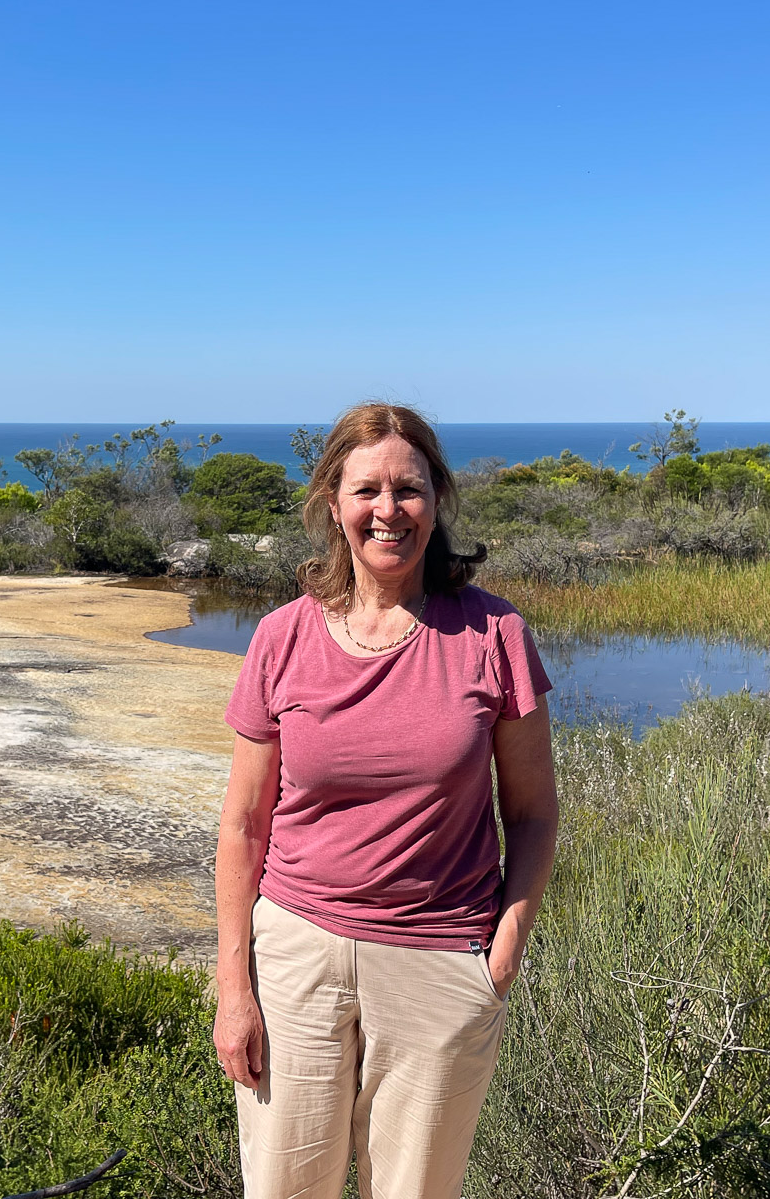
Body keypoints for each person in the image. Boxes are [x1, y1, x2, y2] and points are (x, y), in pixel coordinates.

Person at [213, 402, 559, 1199]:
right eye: (366, 489)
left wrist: (505, 946)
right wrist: (235, 989)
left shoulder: (494, 634)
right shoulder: (281, 638)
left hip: (440, 960)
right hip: (296, 955)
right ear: (333, 504)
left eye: (409, 489)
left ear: (436, 500)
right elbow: (242, 823)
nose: (388, 510)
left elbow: (535, 811)